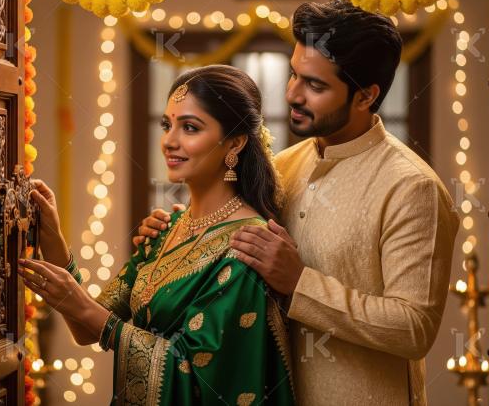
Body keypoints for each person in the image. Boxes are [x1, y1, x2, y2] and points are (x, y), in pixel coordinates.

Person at [135, 0, 460, 405]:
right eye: (294, 75)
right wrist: (180, 231)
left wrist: (299, 284)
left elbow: (414, 328)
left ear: (365, 96)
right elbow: (233, 234)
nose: (292, 94)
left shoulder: (411, 188)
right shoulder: (285, 166)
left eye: (316, 85)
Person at [18, 65, 295, 405]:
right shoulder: (167, 229)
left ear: (234, 143)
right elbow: (87, 329)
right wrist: (52, 239)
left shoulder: (248, 246)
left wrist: (78, 303)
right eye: (167, 125)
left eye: (190, 127)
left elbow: (207, 379)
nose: (169, 141)